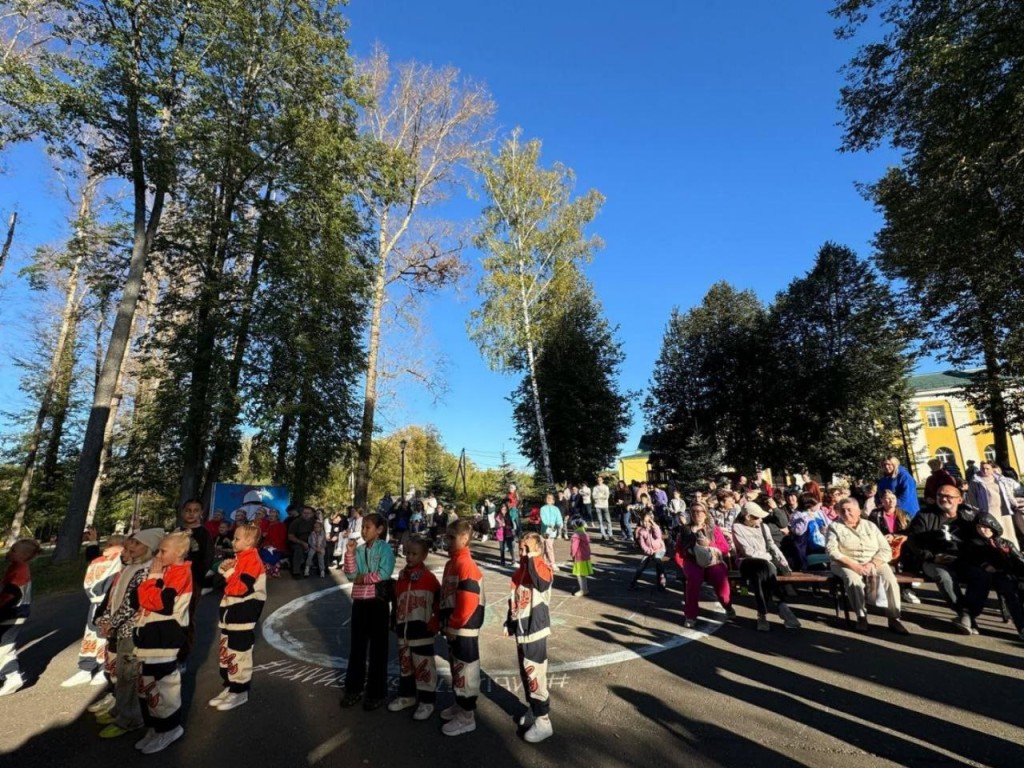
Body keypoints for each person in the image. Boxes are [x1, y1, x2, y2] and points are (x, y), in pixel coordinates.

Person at [93, 528, 164, 738]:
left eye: (137, 544)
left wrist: (112, 623)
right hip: (117, 627)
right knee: (121, 673)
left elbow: (131, 604)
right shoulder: (129, 567)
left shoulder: (145, 571)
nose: (130, 547)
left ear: (149, 548)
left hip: (131, 630)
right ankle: (119, 709)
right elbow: (115, 596)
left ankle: (130, 719)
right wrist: (104, 618)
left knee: (128, 676)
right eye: (130, 542)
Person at [132, 531, 192, 754]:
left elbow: (160, 603)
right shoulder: (165, 570)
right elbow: (141, 599)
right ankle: (155, 726)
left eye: (163, 551)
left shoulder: (180, 573)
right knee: (147, 684)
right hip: (149, 635)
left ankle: (169, 728)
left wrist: (152, 579)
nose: (158, 554)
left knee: (164, 685)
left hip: (164, 638)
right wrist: (153, 580)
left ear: (180, 553)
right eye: (158, 550)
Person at [207, 523, 267, 712]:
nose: (233, 542)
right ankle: (230, 686)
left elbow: (239, 588)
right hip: (230, 614)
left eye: (237, 538)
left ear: (249, 541)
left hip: (243, 614)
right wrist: (225, 568)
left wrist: (228, 571)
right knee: (227, 651)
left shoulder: (252, 560)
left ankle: (240, 690)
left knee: (239, 653)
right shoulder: (239, 557)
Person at [826, 498, 909, 635]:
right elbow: (832, 551)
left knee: (890, 580)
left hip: (873, 560)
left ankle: (894, 618)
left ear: (858, 511)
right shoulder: (834, 527)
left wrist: (873, 563)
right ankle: (861, 616)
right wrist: (855, 566)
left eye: (849, 510)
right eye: (843, 510)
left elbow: (885, 550)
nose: (846, 513)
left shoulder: (870, 525)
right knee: (853, 580)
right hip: (846, 562)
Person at [340, 513, 395, 711]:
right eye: (363, 527)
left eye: (368, 527)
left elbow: (384, 572)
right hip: (360, 603)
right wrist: (349, 553)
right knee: (357, 648)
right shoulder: (360, 549)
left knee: (378, 650)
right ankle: (353, 688)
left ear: (379, 530)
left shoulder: (385, 548)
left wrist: (363, 579)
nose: (364, 531)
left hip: (378, 603)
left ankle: (376, 692)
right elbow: (350, 574)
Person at [505, 532, 554, 744]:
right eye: (521, 549)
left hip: (536, 629)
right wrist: (510, 622)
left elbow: (541, 583)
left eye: (526, 549)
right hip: (522, 631)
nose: (522, 553)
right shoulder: (517, 574)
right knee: (525, 672)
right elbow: (514, 602)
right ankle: (533, 708)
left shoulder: (542, 568)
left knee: (535, 672)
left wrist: (534, 556)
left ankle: (544, 720)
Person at [439, 520, 485, 736]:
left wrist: (454, 623)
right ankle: (460, 703)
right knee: (456, 668)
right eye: (446, 537)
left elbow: (468, 601)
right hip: (452, 628)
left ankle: (467, 716)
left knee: (466, 670)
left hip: (464, 629)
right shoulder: (451, 563)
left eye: (451, 537)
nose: (447, 541)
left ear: (464, 539)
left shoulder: (466, 565)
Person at [908, 484, 973, 634]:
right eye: (940, 495)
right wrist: (932, 556)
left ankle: (970, 614)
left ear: (959, 500)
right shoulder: (925, 515)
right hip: (932, 560)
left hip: (961, 559)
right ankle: (963, 613)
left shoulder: (967, 517)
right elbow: (914, 541)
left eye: (948, 496)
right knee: (944, 576)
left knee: (980, 575)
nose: (943, 499)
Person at [388, 537, 440, 721]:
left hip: (422, 632)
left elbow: (438, 603)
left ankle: (427, 701)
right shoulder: (402, 577)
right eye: (407, 552)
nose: (409, 557)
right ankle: (407, 696)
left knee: (423, 666)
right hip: (403, 631)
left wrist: (434, 623)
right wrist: (393, 618)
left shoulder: (429, 579)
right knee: (405, 666)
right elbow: (396, 600)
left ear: (424, 555)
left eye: (414, 554)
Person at [63, 534, 125, 687]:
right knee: (90, 634)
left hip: (110, 604)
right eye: (108, 544)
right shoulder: (99, 561)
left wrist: (123, 546)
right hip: (95, 604)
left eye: (113, 545)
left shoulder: (121, 560)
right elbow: (91, 557)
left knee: (106, 636)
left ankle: (104, 669)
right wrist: (93, 541)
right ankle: (86, 668)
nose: (108, 547)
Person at [731, 502, 800, 631]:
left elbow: (772, 545)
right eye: (757, 517)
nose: (761, 519)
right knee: (762, 567)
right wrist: (768, 557)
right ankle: (782, 606)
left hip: (766, 565)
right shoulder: (737, 527)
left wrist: (782, 561)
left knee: (761, 574)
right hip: (747, 562)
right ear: (748, 517)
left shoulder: (764, 527)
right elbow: (748, 551)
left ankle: (762, 614)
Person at [959, 512, 1024, 640]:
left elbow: (1018, 560)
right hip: (986, 576)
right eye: (978, 527)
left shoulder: (1004, 543)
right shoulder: (974, 544)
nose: (982, 530)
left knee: (1015, 594)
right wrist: (984, 565)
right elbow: (971, 558)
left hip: (1007, 575)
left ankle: (1021, 626)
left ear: (993, 526)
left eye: (985, 527)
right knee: (1005, 591)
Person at [675, 502, 733, 629]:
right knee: (693, 580)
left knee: (719, 578)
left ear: (705, 513)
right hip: (693, 560)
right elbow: (678, 548)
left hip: (712, 560)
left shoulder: (713, 529)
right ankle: (691, 615)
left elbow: (724, 548)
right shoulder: (685, 529)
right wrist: (689, 549)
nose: (697, 514)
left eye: (700, 511)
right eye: (693, 511)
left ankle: (727, 605)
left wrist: (709, 544)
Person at [0, 539, 42, 697]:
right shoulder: (15, 568)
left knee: (4, 646)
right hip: (14, 612)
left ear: (24, 555)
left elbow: (11, 594)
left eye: (13, 550)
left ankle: (12, 675)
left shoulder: (19, 569)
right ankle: (7, 674)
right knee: (4, 644)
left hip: (12, 613)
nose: (9, 552)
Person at [175, 498, 212, 664]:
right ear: (183, 512)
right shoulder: (176, 532)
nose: (191, 513)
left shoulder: (204, 534)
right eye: (188, 510)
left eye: (195, 510)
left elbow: (207, 559)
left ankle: (182, 656)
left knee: (186, 616)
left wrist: (196, 578)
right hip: (172, 581)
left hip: (191, 582)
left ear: (201, 514)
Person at [869, 488, 918, 603]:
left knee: (909, 557)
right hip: (882, 545)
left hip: (901, 545)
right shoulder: (875, 514)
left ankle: (907, 589)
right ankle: (881, 590)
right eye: (887, 498)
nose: (890, 501)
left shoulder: (904, 514)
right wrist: (883, 538)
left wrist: (894, 536)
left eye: (893, 498)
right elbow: (871, 531)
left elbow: (910, 532)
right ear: (881, 500)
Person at [966, 460, 1024, 548]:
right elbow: (971, 497)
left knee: (1009, 532)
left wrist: (1014, 502)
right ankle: (1001, 552)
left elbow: (1007, 493)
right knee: (996, 533)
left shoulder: (999, 479)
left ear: (992, 469)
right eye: (982, 468)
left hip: (1003, 509)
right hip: (989, 510)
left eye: (987, 468)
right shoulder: (975, 481)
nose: (985, 470)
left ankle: (1014, 551)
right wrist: (976, 510)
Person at [630, 512, 666, 591]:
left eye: (648, 521)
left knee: (658, 561)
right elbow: (642, 544)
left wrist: (653, 524)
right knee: (641, 566)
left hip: (659, 549)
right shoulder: (641, 532)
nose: (646, 523)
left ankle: (662, 583)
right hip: (649, 551)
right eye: (644, 521)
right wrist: (649, 551)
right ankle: (633, 582)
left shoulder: (655, 529)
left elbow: (658, 536)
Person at [287, 505, 316, 578]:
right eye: (304, 513)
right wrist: (302, 543)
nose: (306, 514)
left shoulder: (314, 522)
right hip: (297, 541)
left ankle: (324, 568)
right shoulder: (296, 522)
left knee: (325, 547)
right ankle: (296, 572)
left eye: (308, 513)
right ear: (302, 513)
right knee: (298, 549)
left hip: (311, 541)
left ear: (312, 514)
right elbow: (290, 536)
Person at [569, 518, 593, 597]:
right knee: (583, 574)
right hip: (585, 556)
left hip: (579, 557)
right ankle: (585, 589)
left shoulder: (576, 535)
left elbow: (574, 547)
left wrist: (572, 554)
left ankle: (583, 590)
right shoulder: (585, 534)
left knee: (579, 574)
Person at [539, 493, 561, 568]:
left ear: (553, 501)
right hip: (545, 531)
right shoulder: (543, 508)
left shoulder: (556, 509)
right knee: (543, 547)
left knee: (549, 546)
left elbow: (559, 518)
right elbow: (543, 518)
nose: (549, 499)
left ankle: (552, 563)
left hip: (552, 531)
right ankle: (544, 562)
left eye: (551, 498)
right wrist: (548, 524)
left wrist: (559, 524)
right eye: (547, 498)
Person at [591, 476, 612, 540]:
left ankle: (610, 535)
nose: (599, 481)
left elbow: (607, 496)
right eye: (598, 480)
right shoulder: (595, 488)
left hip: (605, 505)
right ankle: (603, 535)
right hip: (598, 506)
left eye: (600, 480)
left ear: (603, 480)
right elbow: (594, 496)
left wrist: (599, 496)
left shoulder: (606, 487)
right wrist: (601, 496)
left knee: (608, 521)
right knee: (600, 521)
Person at [495, 502, 515, 567]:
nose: (504, 511)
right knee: (502, 548)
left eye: (505, 509)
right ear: (500, 509)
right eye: (503, 509)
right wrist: (500, 525)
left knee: (510, 547)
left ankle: (513, 560)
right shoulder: (497, 517)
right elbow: (496, 526)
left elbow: (512, 526)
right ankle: (502, 561)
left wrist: (508, 526)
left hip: (508, 534)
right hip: (501, 534)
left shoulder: (508, 516)